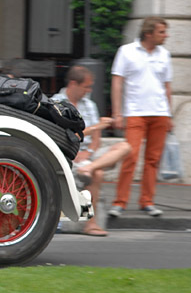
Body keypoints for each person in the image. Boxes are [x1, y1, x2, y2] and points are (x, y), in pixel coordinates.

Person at [52, 65, 132, 236]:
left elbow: (96, 139)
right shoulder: (57, 103)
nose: (88, 91)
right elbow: (64, 136)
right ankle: (91, 224)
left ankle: (90, 167)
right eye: (86, 87)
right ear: (74, 83)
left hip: (88, 156)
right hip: (68, 153)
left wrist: (89, 153)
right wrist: (96, 127)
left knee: (125, 146)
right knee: (99, 175)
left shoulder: (89, 104)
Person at [109, 17, 173, 218]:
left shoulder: (165, 54)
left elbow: (167, 86)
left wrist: (169, 114)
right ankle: (120, 202)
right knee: (130, 157)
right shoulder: (127, 51)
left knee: (153, 160)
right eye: (161, 32)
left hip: (159, 113)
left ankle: (147, 201)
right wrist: (117, 113)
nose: (166, 35)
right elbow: (117, 82)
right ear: (149, 34)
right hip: (135, 112)